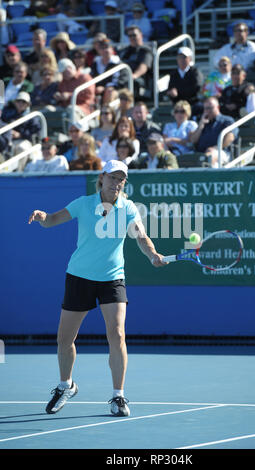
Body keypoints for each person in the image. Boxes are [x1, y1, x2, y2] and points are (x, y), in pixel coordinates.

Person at [28, 159, 167, 417]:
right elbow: (53, 219)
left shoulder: (128, 208)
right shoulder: (83, 203)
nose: (117, 182)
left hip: (112, 278)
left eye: (121, 179)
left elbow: (141, 236)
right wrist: (42, 217)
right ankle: (65, 385)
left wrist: (153, 254)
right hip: (79, 276)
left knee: (117, 334)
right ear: (102, 178)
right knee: (65, 339)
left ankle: (118, 396)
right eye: (113, 177)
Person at [189, 96, 238, 168]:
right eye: (205, 108)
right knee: (185, 158)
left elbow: (230, 137)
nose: (207, 111)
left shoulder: (227, 120)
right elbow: (193, 140)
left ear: (217, 107)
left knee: (209, 157)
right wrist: (200, 126)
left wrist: (216, 147)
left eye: (210, 108)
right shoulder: (203, 122)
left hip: (221, 152)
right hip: (200, 153)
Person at [166, 47, 203, 115]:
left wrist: (178, 92)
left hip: (193, 103)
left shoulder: (195, 72)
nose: (182, 60)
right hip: (178, 104)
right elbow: (170, 88)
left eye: (184, 57)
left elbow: (197, 87)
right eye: (180, 57)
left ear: (190, 59)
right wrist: (171, 93)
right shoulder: (173, 74)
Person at [119, 26, 153, 100]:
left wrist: (133, 76)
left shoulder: (145, 51)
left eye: (134, 35)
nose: (132, 37)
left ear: (141, 35)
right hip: (123, 78)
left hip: (139, 81)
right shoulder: (124, 51)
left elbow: (144, 67)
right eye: (130, 36)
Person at [90, 39, 129, 103]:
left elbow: (122, 81)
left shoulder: (119, 64)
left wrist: (105, 88)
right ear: (98, 51)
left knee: (110, 91)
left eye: (107, 47)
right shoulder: (95, 64)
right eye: (102, 48)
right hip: (98, 91)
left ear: (112, 49)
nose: (105, 50)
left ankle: (106, 112)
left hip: (116, 91)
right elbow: (92, 77)